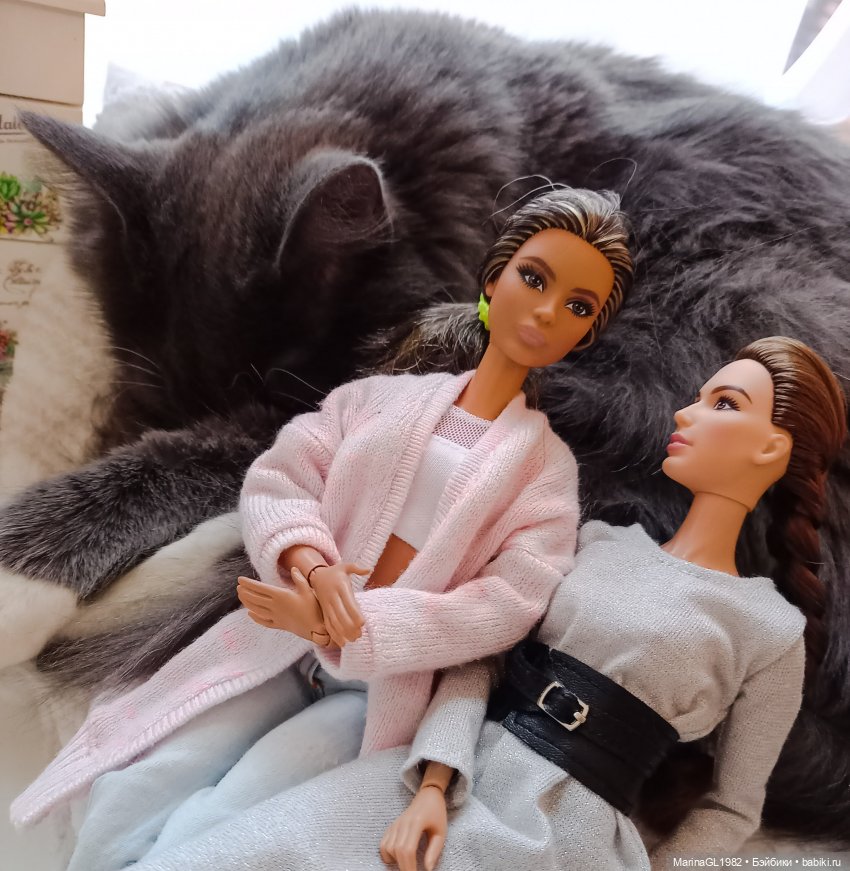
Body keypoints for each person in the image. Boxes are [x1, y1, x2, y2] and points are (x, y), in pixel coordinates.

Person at [10, 187, 634, 871]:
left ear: (586, 334)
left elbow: (506, 604)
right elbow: (281, 478)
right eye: (534, 278)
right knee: (142, 781)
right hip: (274, 638)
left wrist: (357, 626)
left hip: (379, 691)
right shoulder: (373, 401)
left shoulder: (546, 474)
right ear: (494, 279)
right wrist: (310, 563)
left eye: (578, 306)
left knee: (229, 817)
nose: (546, 311)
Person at [112, 336, 846, 871]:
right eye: (700, 395)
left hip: (573, 839)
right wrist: (435, 781)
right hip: (456, 776)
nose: (685, 413)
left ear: (771, 450)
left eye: (724, 404)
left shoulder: (770, 629)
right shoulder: (599, 541)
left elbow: (733, 809)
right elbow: (486, 659)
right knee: (237, 851)